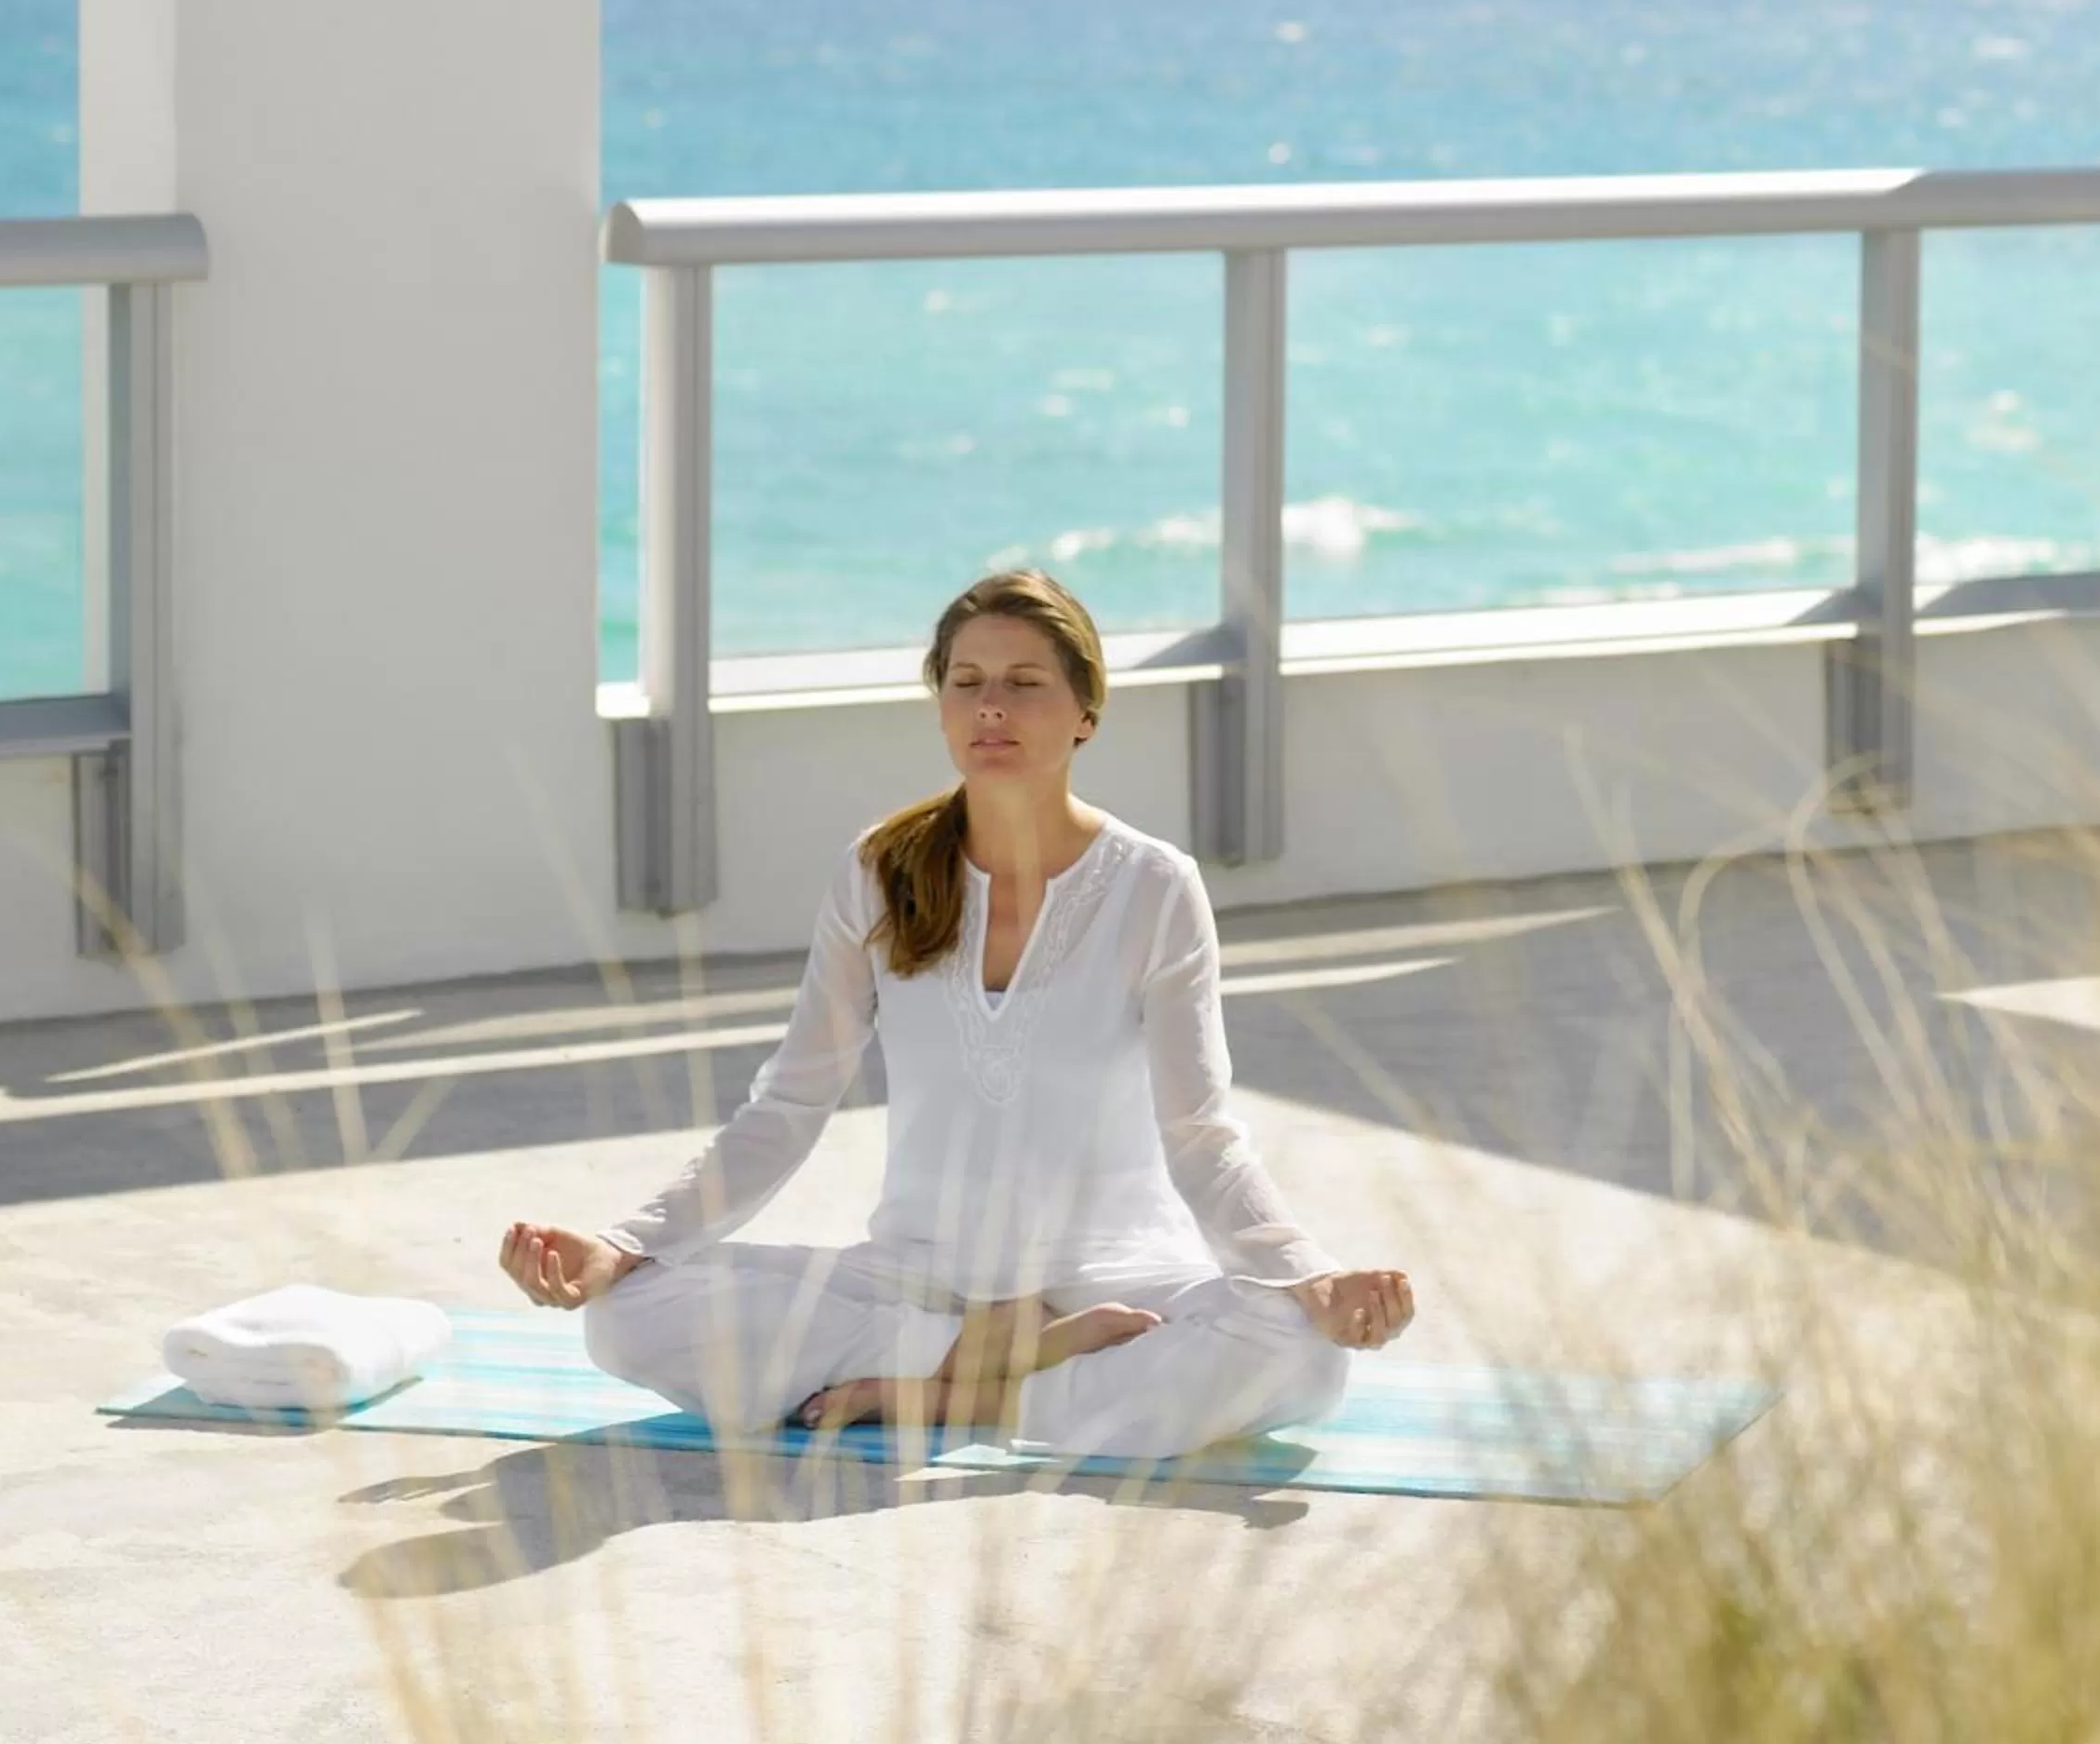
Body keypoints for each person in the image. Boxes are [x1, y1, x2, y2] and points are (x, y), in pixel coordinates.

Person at [497, 567, 1415, 1455]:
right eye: (967, 683)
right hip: (921, 1275)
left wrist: (1312, 1278)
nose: (991, 709)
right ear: (940, 702)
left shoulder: (1153, 887)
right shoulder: (881, 870)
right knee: (626, 1318)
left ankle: (937, 1398)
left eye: (1024, 684)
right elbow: (787, 1107)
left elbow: (1202, 1133)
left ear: (1086, 712)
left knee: (1301, 1355)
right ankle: (1003, 1374)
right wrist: (622, 1247)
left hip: (1114, 1274)